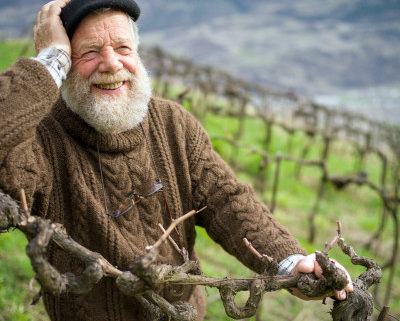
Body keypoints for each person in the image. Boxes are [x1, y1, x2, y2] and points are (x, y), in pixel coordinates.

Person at [0, 0, 353, 320]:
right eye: (88, 51)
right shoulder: (40, 142)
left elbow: (228, 201)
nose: (111, 63)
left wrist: (291, 262)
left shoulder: (173, 124)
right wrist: (50, 58)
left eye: (124, 48)